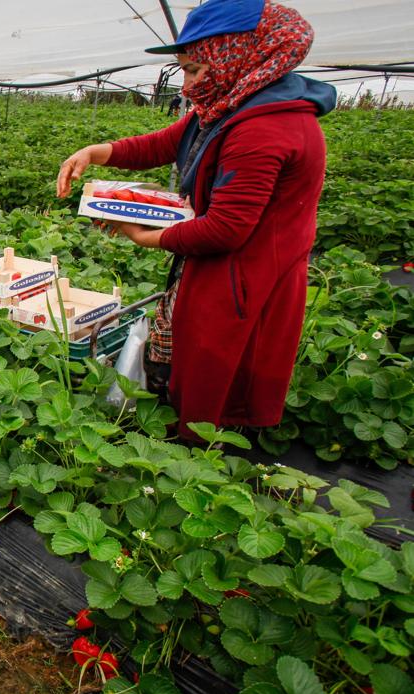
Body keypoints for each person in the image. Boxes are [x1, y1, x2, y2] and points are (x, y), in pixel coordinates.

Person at [55, 0, 333, 441]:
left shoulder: (264, 129)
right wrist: (95, 152)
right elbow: (162, 143)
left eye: (195, 70)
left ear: (241, 56)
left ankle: (198, 460)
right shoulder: (231, 105)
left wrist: (145, 237)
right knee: (188, 354)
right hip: (217, 266)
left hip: (245, 275)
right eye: (183, 70)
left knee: (216, 372)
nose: (186, 86)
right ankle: (179, 431)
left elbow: (226, 228)